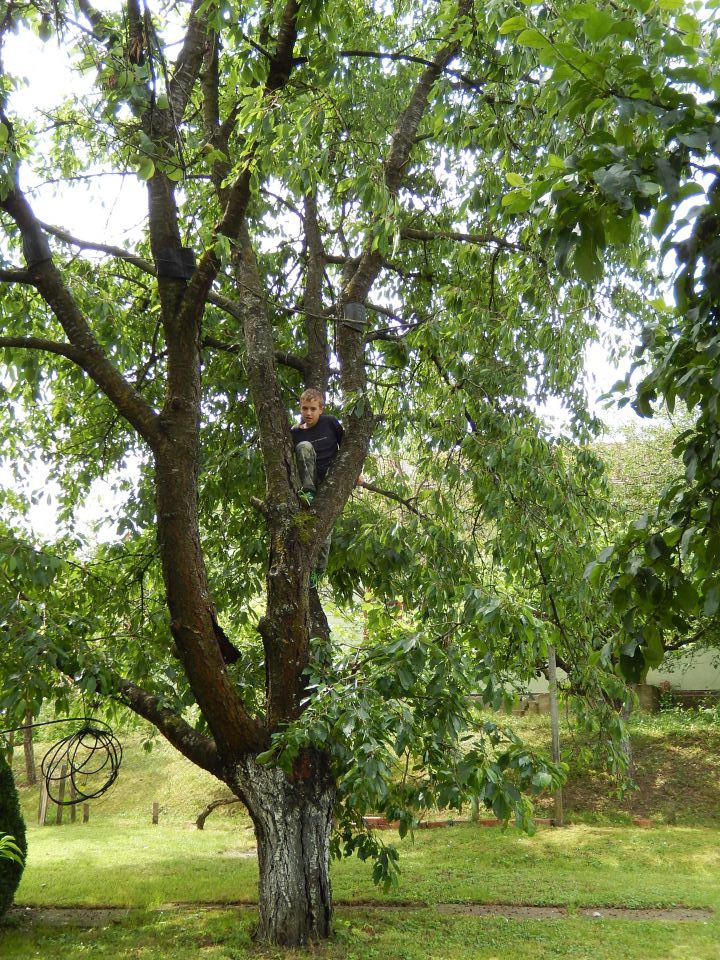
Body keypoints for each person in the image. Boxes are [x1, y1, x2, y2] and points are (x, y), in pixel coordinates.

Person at [290, 388, 344, 586]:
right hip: (309, 479)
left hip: (330, 479)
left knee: (325, 534)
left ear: (321, 409)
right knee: (304, 446)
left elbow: (347, 446)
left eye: (313, 408)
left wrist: (357, 473)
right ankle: (308, 491)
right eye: (305, 408)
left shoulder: (330, 422)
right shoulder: (295, 432)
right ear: (300, 408)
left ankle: (317, 572)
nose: (308, 413)